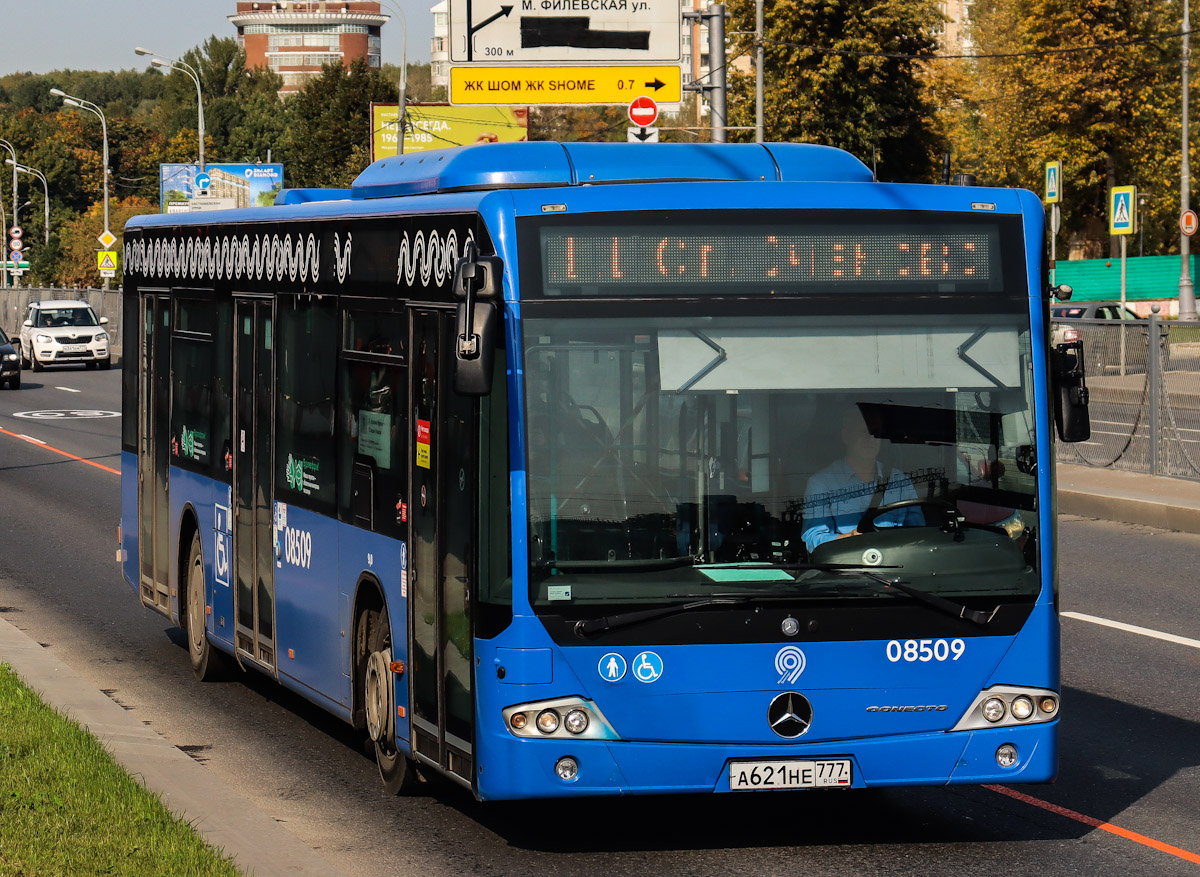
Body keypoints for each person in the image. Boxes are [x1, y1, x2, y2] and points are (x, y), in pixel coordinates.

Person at [802, 405, 923, 552]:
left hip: (895, 565)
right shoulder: (821, 483)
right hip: (845, 566)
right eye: (863, 432)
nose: (870, 439)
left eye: (875, 433)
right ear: (846, 436)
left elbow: (919, 534)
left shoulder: (900, 482)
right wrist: (848, 539)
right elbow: (813, 538)